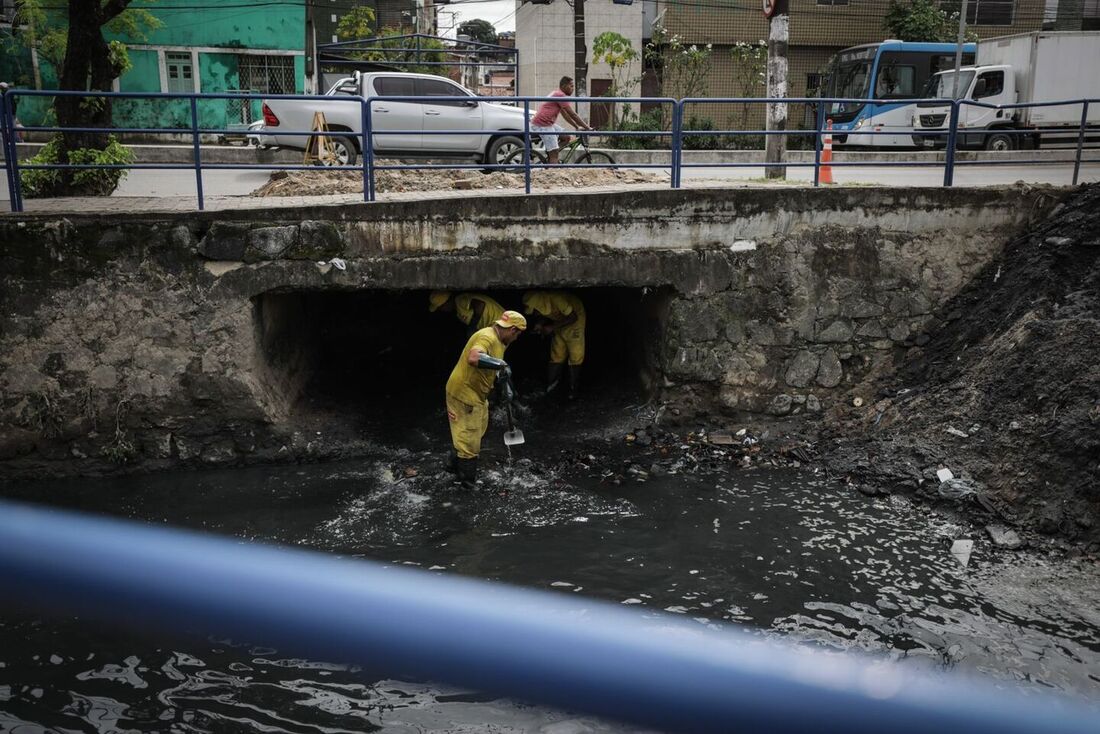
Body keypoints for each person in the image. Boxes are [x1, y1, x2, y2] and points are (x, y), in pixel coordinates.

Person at [445, 310, 527, 486]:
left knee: (477, 429)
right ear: (512, 330)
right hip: (464, 393)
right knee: (470, 440)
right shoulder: (487, 337)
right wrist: (500, 364)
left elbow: (490, 366)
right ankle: (466, 482)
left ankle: (452, 466)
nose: (517, 338)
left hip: (477, 393)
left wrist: (503, 385)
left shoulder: (500, 341)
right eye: (517, 334)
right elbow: (474, 358)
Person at [523, 290, 585, 400]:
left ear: (538, 304)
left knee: (576, 355)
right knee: (557, 354)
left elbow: (573, 317)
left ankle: (573, 389)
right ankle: (552, 387)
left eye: (535, 310)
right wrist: (539, 324)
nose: (534, 313)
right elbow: (547, 314)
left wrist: (552, 327)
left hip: (575, 321)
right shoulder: (542, 304)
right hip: (560, 323)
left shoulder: (556, 299)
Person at [531, 76, 592, 164]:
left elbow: (565, 115)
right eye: (571, 86)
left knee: (566, 137)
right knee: (554, 153)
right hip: (542, 124)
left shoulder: (557, 94)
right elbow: (573, 114)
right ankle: (552, 167)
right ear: (563, 86)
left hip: (546, 123)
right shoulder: (560, 95)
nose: (573, 88)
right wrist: (587, 127)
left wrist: (576, 126)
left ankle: (550, 154)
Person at [428, 291, 506, 335]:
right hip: (497, 327)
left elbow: (480, 304)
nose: (442, 310)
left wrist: (473, 325)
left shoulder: (460, 300)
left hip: (502, 322)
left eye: (440, 308)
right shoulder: (458, 311)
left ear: (446, 303)